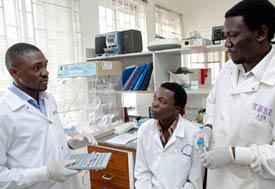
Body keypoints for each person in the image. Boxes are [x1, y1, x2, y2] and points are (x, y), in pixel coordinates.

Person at [193, 0, 275, 188]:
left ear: (261, 33)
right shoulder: (230, 67)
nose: (227, 44)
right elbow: (213, 101)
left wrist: (234, 154)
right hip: (218, 180)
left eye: (233, 35)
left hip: (253, 183)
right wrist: (208, 125)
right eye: (225, 36)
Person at [0, 43, 97, 189]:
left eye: (45, 66)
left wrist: (70, 143)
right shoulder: (4, 112)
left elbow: (45, 140)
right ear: (15, 73)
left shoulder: (48, 99)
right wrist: (45, 173)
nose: (45, 72)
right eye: (37, 68)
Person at [135, 82, 204, 189]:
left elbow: (194, 182)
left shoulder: (194, 135)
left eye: (162, 101)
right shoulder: (144, 130)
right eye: (155, 98)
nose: (154, 104)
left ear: (177, 109)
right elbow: (142, 173)